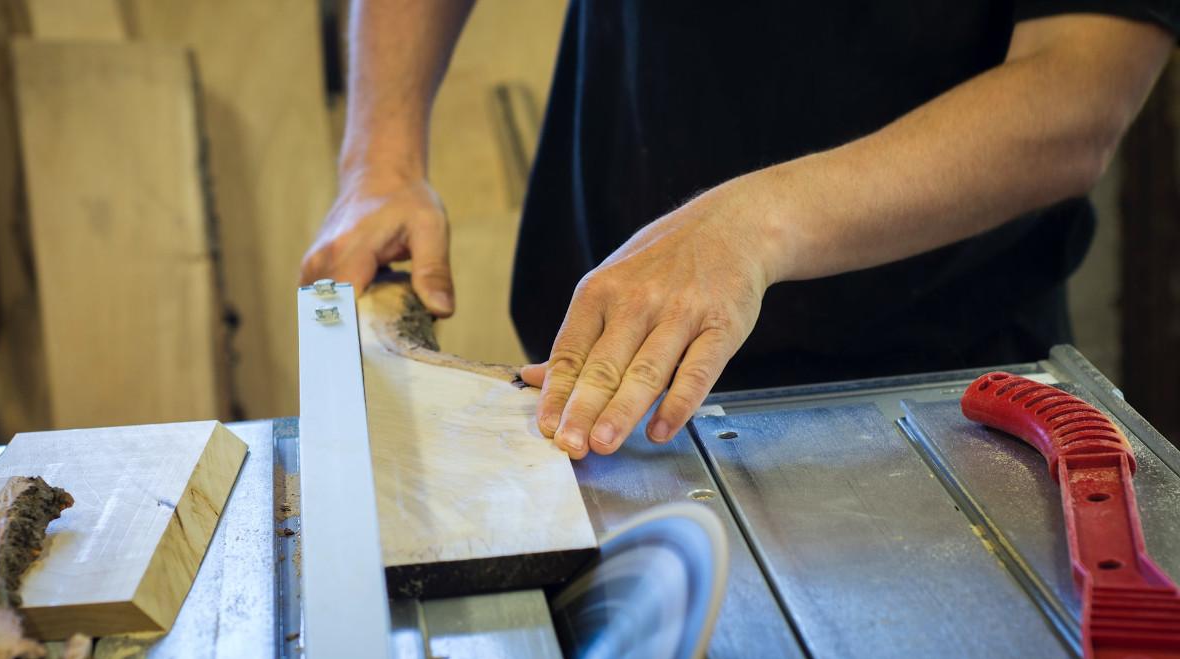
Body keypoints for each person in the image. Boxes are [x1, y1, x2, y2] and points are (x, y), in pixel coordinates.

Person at [301, 1, 1178, 460]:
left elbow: (1078, 93)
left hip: (939, 394)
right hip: (619, 391)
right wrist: (379, 158)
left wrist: (751, 227)